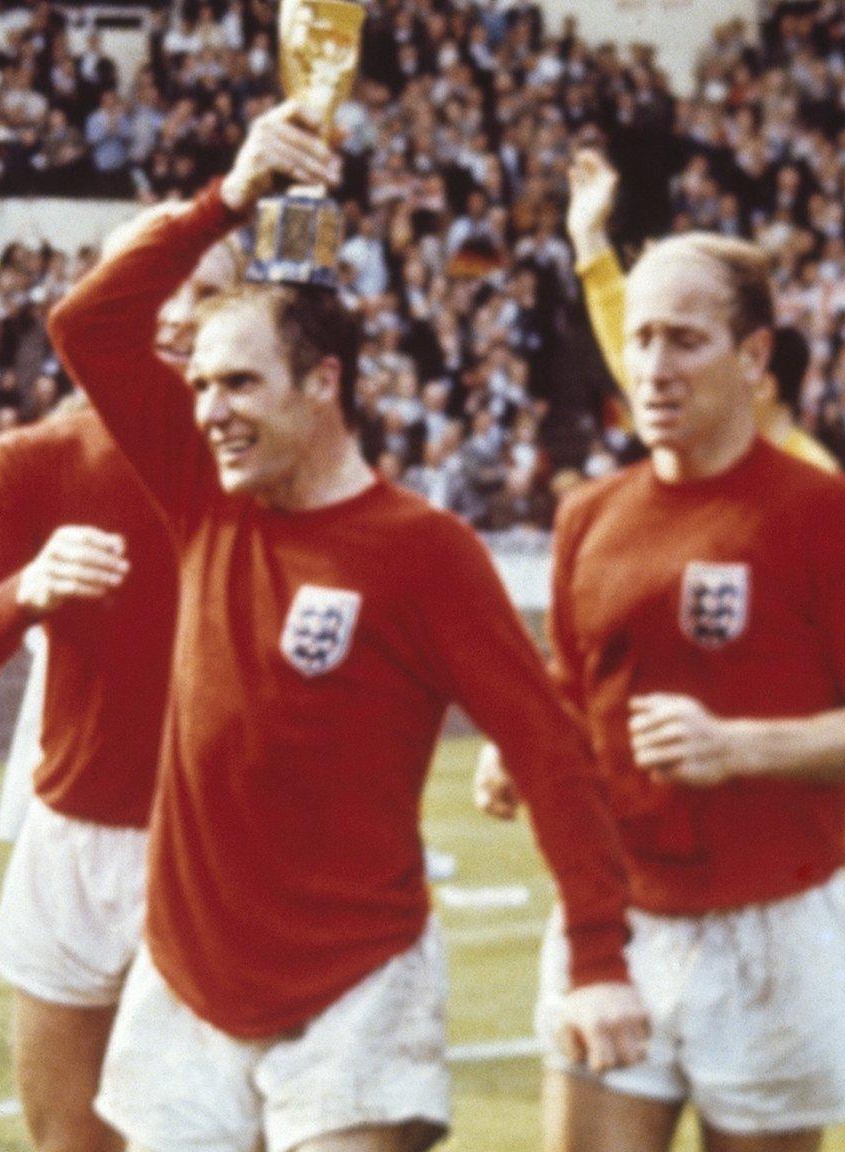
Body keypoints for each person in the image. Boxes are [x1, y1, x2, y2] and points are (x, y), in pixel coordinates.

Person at [53, 102, 650, 1152]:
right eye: (196, 384)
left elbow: (548, 750)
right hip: (190, 980)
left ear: (322, 383)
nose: (206, 410)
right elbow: (86, 327)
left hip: (353, 987)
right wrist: (224, 197)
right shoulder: (202, 491)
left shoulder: (421, 551)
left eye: (236, 381)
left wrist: (598, 963)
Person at [475, 232, 845, 1152]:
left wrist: (743, 747)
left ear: (754, 356)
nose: (653, 367)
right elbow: (573, 685)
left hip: (775, 927)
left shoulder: (819, 513)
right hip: (615, 920)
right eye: (640, 340)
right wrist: (522, 746)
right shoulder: (589, 516)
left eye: (685, 340)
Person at [0, 218, 241, 1152]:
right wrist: (27, 590)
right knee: (70, 1141)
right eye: (157, 288)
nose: (177, 315)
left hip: (214, 847)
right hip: (72, 836)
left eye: (208, 292)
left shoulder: (268, 466)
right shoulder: (35, 459)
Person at [567, 148, 838, 473]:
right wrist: (588, 236)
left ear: (760, 380)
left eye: (688, 344)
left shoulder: (815, 481)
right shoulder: (705, 437)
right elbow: (618, 326)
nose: (657, 372)